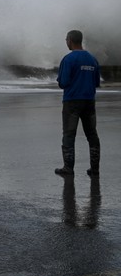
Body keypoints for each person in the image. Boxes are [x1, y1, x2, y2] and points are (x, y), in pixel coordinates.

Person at [55, 29, 101, 178]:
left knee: (69, 134)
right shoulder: (92, 59)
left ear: (70, 40)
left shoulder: (68, 59)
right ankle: (94, 169)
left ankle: (68, 168)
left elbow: (63, 82)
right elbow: (96, 82)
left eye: (66, 40)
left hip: (72, 101)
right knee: (92, 134)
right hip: (89, 101)